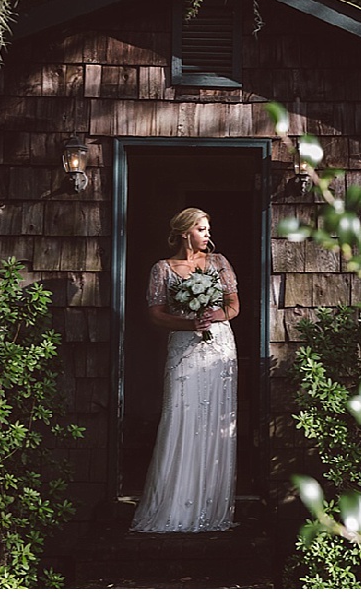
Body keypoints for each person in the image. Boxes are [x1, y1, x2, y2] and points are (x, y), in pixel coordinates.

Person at [131, 207, 240, 533]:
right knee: (179, 418)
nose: (207, 234)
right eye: (201, 229)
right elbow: (155, 315)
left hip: (220, 349)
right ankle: (173, 507)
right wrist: (188, 322)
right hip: (183, 349)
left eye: (208, 228)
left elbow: (234, 306)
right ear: (184, 233)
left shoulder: (219, 263)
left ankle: (211, 509)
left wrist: (214, 317)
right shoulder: (163, 269)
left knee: (216, 423)